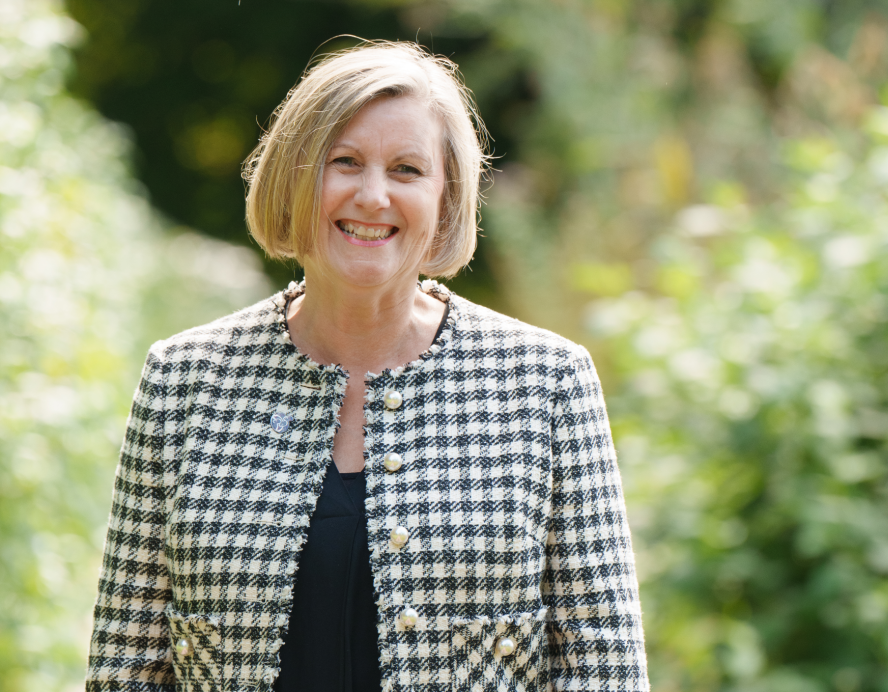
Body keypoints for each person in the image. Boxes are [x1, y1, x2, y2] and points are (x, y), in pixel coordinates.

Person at [85, 41, 648, 692]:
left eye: (407, 170)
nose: (373, 195)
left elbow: (603, 673)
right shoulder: (183, 380)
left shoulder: (546, 382)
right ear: (294, 179)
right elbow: (124, 671)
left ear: (445, 197)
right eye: (344, 162)